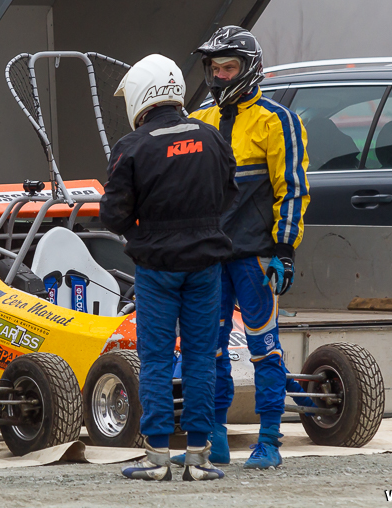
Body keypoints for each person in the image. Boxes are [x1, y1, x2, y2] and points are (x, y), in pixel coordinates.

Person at [101, 53, 237, 481]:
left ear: (140, 94)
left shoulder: (133, 146)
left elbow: (113, 215)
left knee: (157, 359)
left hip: (157, 267)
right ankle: (198, 457)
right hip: (205, 266)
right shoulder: (211, 136)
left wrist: (146, 228)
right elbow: (229, 193)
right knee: (201, 359)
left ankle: (157, 457)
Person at [188, 25, 310, 470]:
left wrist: (285, 250)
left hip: (257, 256)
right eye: (215, 68)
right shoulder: (197, 120)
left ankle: (270, 440)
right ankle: (214, 438)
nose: (220, 75)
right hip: (209, 258)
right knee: (209, 349)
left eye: (229, 67)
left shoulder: (277, 120)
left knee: (264, 346)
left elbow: (292, 189)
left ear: (249, 68)